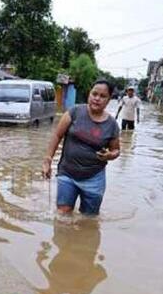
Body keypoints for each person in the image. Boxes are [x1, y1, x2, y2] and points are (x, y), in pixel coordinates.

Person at [42, 80, 120, 215]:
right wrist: (48, 160)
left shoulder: (111, 125)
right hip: (67, 173)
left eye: (102, 96)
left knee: (89, 218)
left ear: (109, 100)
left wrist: (110, 155)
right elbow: (57, 135)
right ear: (89, 94)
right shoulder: (74, 112)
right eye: (94, 94)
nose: (97, 98)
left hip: (94, 178)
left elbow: (116, 150)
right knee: (62, 214)